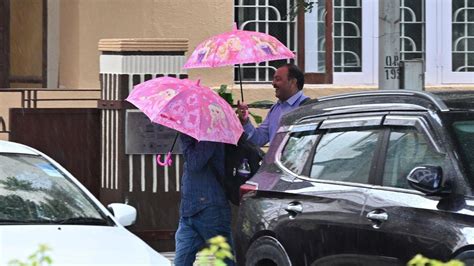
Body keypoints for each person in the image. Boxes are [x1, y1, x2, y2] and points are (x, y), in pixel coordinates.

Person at [174, 133, 234, 266]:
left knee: (225, 261)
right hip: (189, 209)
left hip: (210, 208)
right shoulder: (192, 131)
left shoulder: (210, 132)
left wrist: (185, 139)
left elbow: (195, 163)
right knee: (181, 262)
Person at [237, 63, 309, 147]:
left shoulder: (307, 107)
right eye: (273, 79)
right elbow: (258, 140)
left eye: (278, 79)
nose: (273, 83)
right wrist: (245, 121)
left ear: (293, 82)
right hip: (275, 160)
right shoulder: (275, 109)